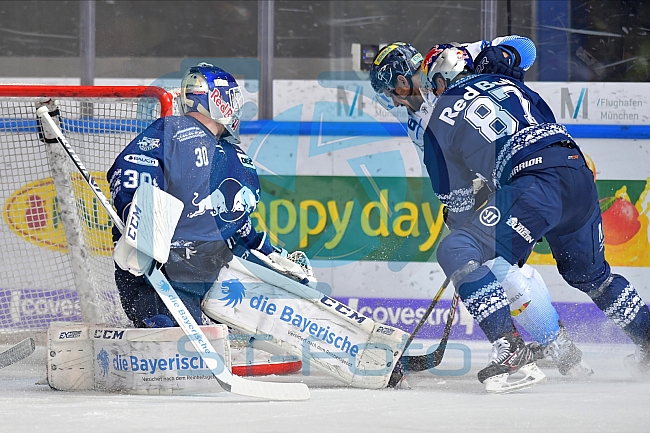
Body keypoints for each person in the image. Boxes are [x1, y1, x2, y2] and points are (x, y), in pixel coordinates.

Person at [374, 42, 650, 390]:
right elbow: (525, 58)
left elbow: (457, 204)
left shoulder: (435, 119)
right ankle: (647, 337)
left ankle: (510, 349)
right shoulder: (506, 82)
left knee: (457, 250)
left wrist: (469, 215)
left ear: (438, 82)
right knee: (592, 275)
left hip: (534, 185)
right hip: (577, 173)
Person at [107, 63, 279, 328]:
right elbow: (133, 167)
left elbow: (238, 225)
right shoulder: (172, 130)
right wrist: (137, 216)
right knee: (167, 330)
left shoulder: (236, 158)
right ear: (218, 100)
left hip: (209, 274)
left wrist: (272, 256)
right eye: (231, 99)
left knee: (227, 329)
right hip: (159, 273)